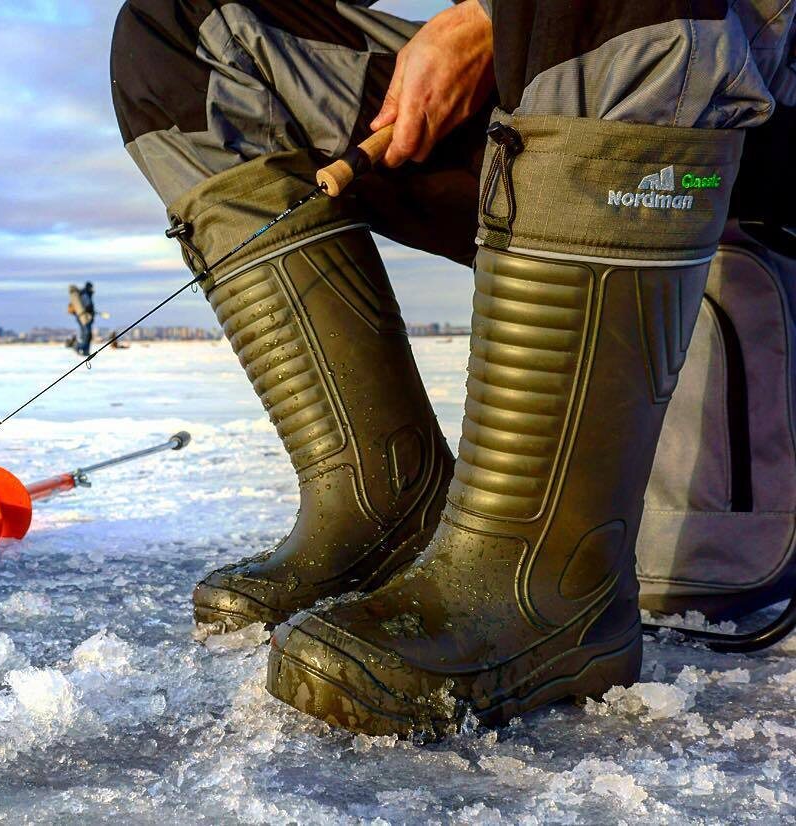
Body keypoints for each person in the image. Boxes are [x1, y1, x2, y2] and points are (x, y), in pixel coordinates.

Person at [111, 1, 795, 734]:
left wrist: (485, 18)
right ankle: (385, 507)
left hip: (731, 91)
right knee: (187, 29)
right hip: (544, 78)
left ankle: (547, 585)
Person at [68, 282, 96, 356]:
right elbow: (88, 305)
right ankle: (78, 347)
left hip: (83, 317)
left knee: (87, 335)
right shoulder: (85, 294)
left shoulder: (84, 294)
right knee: (87, 334)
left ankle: (85, 351)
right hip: (84, 318)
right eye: (91, 287)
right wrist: (91, 311)